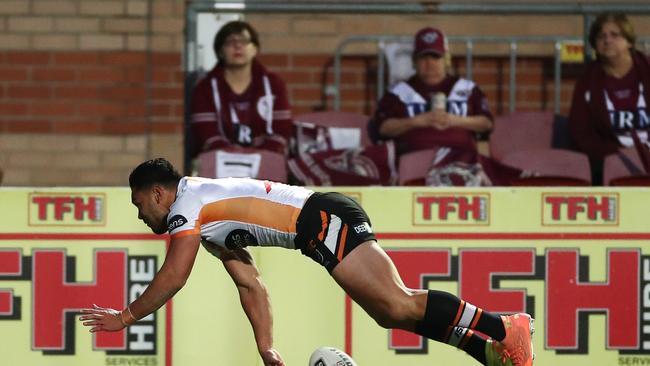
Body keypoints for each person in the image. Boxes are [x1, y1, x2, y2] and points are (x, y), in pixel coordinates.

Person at [79, 158, 534, 366]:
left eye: (141, 205)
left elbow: (175, 276)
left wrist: (126, 316)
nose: (142, 217)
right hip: (318, 224)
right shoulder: (204, 219)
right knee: (387, 313)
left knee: (397, 303)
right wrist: (265, 346)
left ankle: (504, 327)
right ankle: (486, 349)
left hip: (322, 218)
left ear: (157, 192)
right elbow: (249, 284)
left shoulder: (186, 204)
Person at [368, 26, 493, 156]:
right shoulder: (398, 92)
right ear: (414, 61)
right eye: (423, 57)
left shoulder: (467, 88)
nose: (429, 63)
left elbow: (486, 123)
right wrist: (417, 121)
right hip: (414, 162)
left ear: (446, 59)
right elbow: (383, 128)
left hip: (460, 161)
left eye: (435, 57)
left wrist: (454, 120)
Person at [189, 21, 293, 159]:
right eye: (230, 42)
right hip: (220, 162)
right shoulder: (205, 88)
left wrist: (261, 156)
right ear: (220, 51)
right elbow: (207, 135)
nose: (237, 46)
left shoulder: (274, 85)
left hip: (266, 160)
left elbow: (282, 131)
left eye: (244, 41)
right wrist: (235, 157)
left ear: (255, 49)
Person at [568, 13, 650, 185]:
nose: (607, 40)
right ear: (595, 45)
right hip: (609, 159)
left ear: (629, 41)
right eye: (601, 36)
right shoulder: (588, 80)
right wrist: (614, 154)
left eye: (615, 35)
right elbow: (580, 131)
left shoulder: (646, 69)